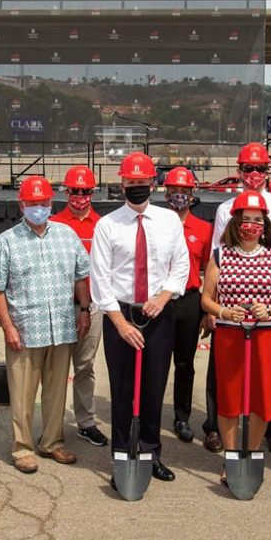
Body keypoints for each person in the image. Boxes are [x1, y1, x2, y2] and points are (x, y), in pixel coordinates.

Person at [90, 152, 189, 485]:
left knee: (152, 389)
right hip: (121, 315)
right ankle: (121, 454)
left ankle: (150, 454)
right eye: (130, 182)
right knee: (121, 391)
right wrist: (119, 323)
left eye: (142, 182)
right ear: (121, 184)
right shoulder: (107, 225)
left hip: (158, 315)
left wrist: (163, 297)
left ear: (153, 184)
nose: (136, 187)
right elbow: (99, 279)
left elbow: (182, 266)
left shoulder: (169, 221)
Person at [0, 176, 91, 473]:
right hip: (25, 330)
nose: (39, 208)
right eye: (33, 204)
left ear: (51, 204)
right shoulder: (7, 241)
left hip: (61, 327)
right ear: (22, 204)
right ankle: (22, 448)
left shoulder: (66, 235)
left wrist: (84, 310)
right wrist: (7, 326)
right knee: (22, 393)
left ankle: (53, 442)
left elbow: (80, 275)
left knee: (56, 390)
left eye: (44, 203)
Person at [206, 142, 271, 455]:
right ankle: (228, 450)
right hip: (231, 326)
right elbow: (211, 285)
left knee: (265, 391)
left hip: (267, 328)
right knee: (227, 391)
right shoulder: (223, 214)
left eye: (259, 168)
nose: (252, 226)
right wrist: (218, 311)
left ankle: (264, 440)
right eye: (249, 168)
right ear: (239, 171)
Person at [50, 165, 108, 447]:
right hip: (60, 306)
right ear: (66, 191)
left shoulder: (103, 225)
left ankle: (85, 422)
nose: (80, 197)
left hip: (92, 306)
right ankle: (52, 426)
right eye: (75, 191)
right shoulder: (53, 224)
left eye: (85, 191)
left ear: (92, 193)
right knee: (56, 369)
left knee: (84, 367)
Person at [163, 166, 212, 443]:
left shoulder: (204, 229)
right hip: (160, 302)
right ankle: (148, 411)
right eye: (174, 191)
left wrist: (207, 310)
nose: (179, 196)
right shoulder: (155, 223)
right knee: (155, 362)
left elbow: (209, 272)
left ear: (192, 194)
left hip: (190, 301)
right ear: (166, 193)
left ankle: (181, 417)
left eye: (184, 191)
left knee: (185, 363)